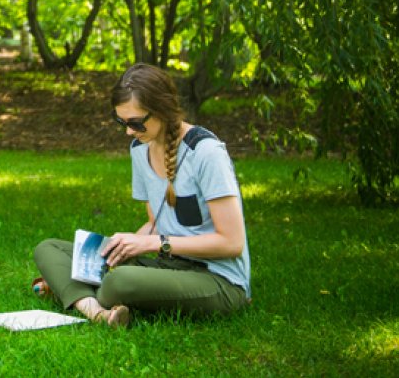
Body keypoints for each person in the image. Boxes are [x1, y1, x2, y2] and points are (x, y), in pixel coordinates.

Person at [31, 63, 252, 327]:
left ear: (162, 110)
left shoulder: (206, 152)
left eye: (135, 122)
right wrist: (126, 245)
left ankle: (69, 291)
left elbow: (231, 243)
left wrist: (152, 244)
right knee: (49, 249)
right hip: (167, 264)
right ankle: (98, 313)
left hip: (217, 278)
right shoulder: (140, 148)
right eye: (121, 122)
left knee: (119, 281)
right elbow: (156, 224)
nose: (128, 131)